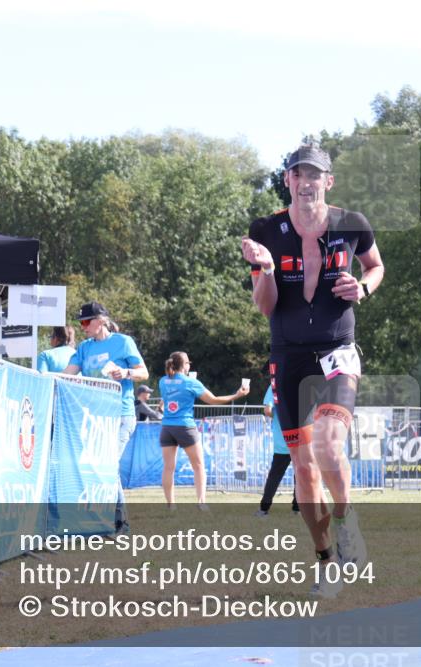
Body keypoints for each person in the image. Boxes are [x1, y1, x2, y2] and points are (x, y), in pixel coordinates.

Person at [241, 142, 384, 598]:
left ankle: (346, 522)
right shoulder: (265, 230)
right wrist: (263, 270)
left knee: (328, 445)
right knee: (303, 468)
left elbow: (376, 266)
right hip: (288, 355)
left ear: (328, 181)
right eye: (297, 174)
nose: (306, 182)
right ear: (288, 181)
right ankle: (325, 560)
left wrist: (362, 287)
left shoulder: (352, 224)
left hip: (337, 349)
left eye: (314, 174)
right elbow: (264, 307)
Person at [62, 302, 148, 534]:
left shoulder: (123, 342)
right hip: (94, 419)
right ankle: (102, 519)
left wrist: (127, 373)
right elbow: (67, 375)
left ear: (101, 321)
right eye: (80, 323)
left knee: (109, 464)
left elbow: (144, 372)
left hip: (120, 415)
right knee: (102, 467)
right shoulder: (83, 347)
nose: (82, 327)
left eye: (86, 322)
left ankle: (120, 523)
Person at [158, 351, 249, 509]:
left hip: (167, 427)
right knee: (199, 466)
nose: (189, 366)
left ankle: (170, 504)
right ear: (184, 365)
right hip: (185, 426)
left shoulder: (163, 381)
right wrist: (236, 395)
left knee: (168, 467)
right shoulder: (191, 383)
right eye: (188, 363)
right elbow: (213, 400)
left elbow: (171, 395)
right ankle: (201, 503)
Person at [257, 378, 299, 516]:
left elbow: (267, 410)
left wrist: (281, 417)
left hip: (282, 439)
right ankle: (297, 509)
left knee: (275, 475)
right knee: (300, 475)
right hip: (301, 438)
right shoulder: (303, 383)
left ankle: (264, 509)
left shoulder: (275, 384)